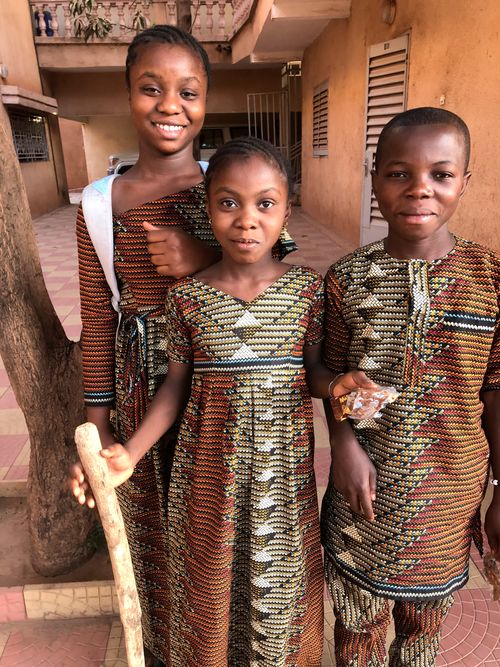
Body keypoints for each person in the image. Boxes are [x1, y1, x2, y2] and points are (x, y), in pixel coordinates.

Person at [71, 136, 375, 666]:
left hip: (283, 481)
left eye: (265, 203)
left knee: (279, 594)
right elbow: (174, 387)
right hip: (206, 475)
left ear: (287, 209)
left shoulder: (307, 290)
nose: (246, 219)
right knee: (209, 586)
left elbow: (313, 371)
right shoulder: (187, 298)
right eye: (228, 203)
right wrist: (132, 451)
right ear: (206, 209)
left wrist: (337, 386)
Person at [75, 26, 295, 665]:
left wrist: (200, 256)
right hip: (143, 383)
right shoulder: (99, 204)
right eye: (151, 89)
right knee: (154, 532)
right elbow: (97, 322)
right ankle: (178, 648)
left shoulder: (223, 184)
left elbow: (275, 269)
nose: (170, 105)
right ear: (127, 95)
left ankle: (227, 640)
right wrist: (99, 433)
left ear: (206, 99)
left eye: (188, 91)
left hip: (219, 382)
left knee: (219, 524)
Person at [321, 107, 500, 667]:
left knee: (423, 631)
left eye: (441, 175)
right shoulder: (346, 277)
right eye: (400, 173)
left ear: (465, 182)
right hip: (363, 490)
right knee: (358, 629)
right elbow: (330, 376)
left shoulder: (489, 279)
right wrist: (345, 448)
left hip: (450, 493)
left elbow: (495, 391)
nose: (420, 189)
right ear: (375, 180)